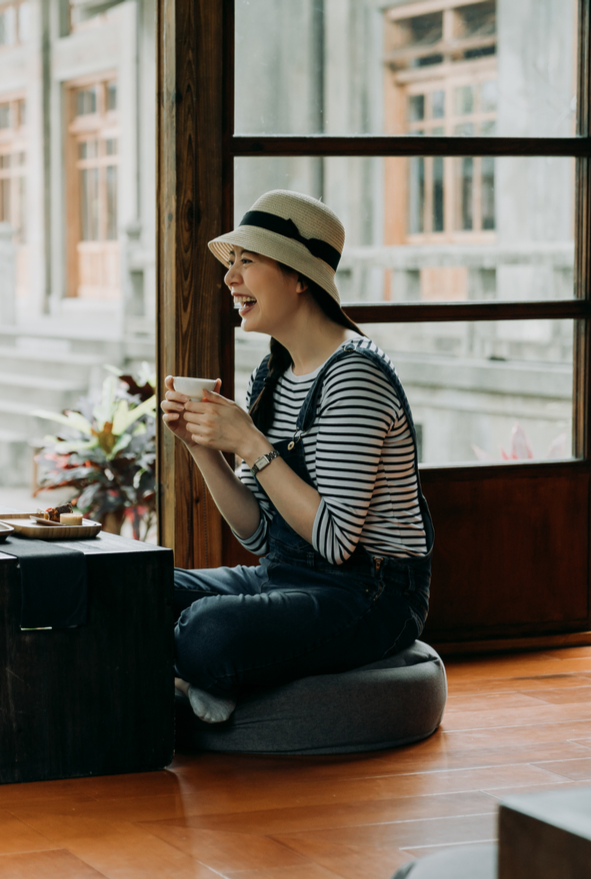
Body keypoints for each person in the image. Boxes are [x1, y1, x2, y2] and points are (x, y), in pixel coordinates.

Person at [160, 190, 434, 724]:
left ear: (299, 276)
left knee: (207, 630)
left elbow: (335, 542)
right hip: (285, 575)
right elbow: (261, 536)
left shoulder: (354, 376)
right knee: (135, 586)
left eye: (248, 261)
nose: (229, 279)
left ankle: (195, 668)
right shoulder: (275, 374)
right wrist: (201, 447)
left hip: (369, 594)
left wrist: (251, 443)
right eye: (231, 262)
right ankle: (200, 673)